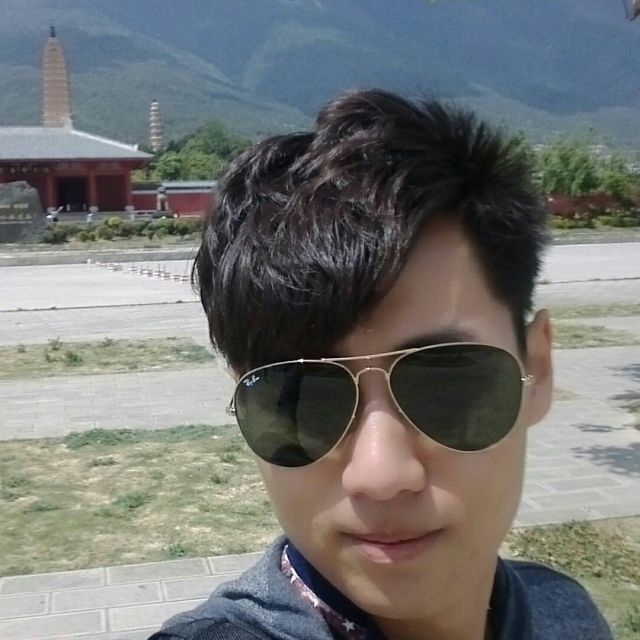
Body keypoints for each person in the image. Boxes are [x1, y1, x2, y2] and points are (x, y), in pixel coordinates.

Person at [148, 89, 612, 640]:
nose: (381, 475)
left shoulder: (568, 613)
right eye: (302, 399)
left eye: (446, 383)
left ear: (537, 369)